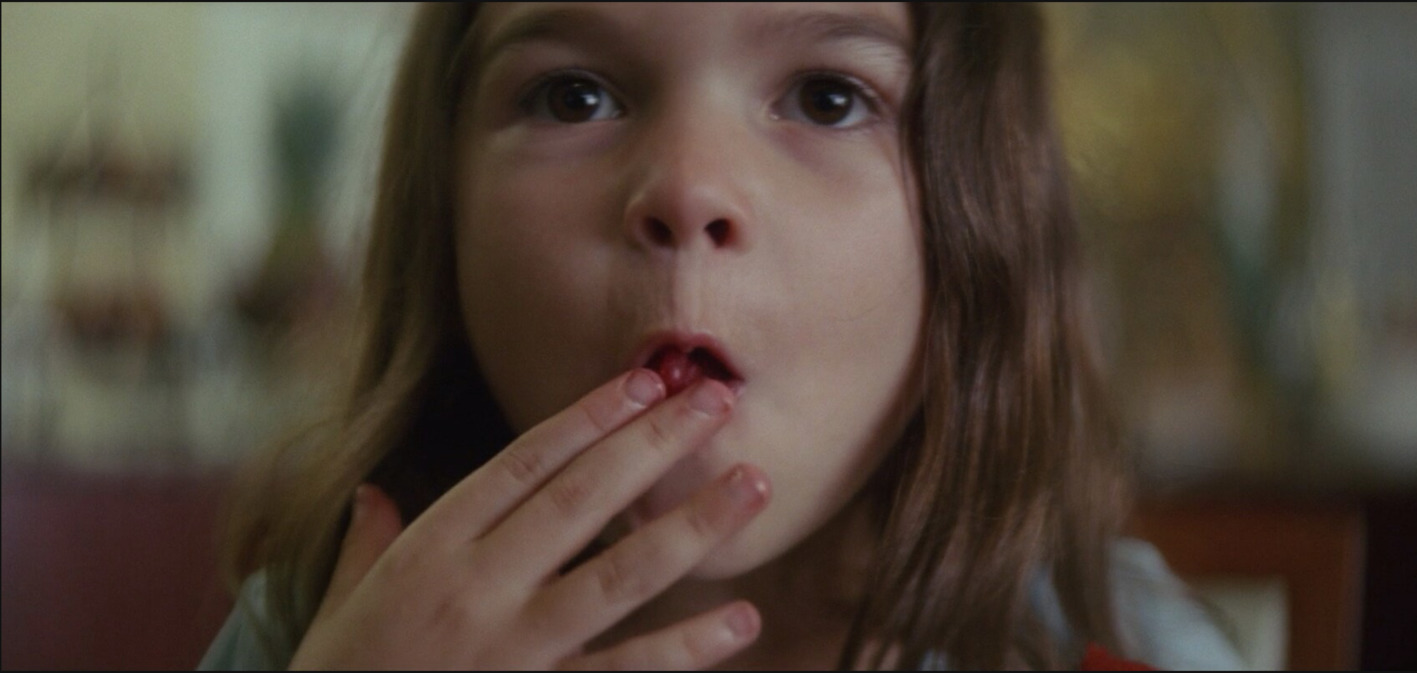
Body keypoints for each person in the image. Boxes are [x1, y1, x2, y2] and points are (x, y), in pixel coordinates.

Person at [200, 3, 1244, 670]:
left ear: (986, 226)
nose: (690, 187)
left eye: (830, 97)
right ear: (443, 222)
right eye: (574, 95)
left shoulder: (1119, 648)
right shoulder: (320, 634)